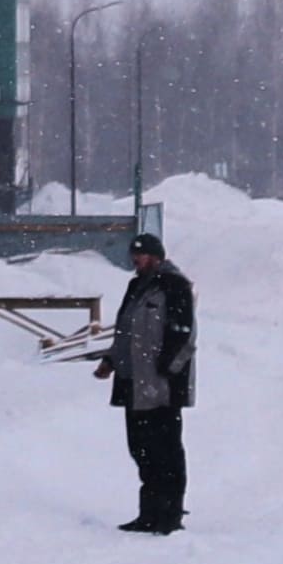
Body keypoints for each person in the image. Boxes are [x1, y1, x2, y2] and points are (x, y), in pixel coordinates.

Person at [108, 225, 197, 534]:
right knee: (141, 449)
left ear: (156, 257)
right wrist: (111, 361)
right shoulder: (136, 287)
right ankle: (148, 513)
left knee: (166, 449)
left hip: (162, 387)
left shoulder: (174, 285)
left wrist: (167, 369)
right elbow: (125, 331)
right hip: (134, 383)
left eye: (142, 254)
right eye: (134, 254)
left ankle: (170, 514)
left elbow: (184, 335)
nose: (136, 259)